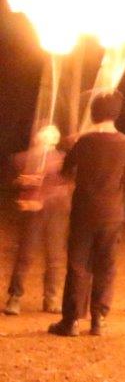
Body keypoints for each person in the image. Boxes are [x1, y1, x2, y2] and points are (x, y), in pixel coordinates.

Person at [48, 91, 125, 338]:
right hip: (112, 213)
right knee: (106, 266)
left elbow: (65, 171)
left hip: (84, 211)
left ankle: (71, 321)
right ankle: (98, 319)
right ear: (116, 113)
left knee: (78, 265)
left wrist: (71, 143)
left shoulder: (84, 141)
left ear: (94, 113)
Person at [5, 125, 70, 315]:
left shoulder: (64, 160)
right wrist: (22, 182)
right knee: (25, 255)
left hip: (56, 212)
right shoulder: (21, 158)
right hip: (31, 212)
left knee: (54, 257)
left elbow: (69, 184)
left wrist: (52, 195)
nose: (48, 138)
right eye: (45, 135)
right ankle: (15, 297)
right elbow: (10, 182)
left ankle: (51, 298)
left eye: (52, 135)